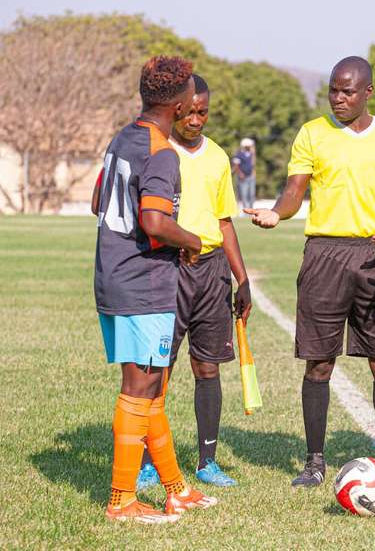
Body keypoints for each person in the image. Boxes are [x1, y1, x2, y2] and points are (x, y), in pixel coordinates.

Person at [244, 56, 375, 488]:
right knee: (319, 363)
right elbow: (293, 193)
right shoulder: (312, 134)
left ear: (368, 92)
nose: (338, 98)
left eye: (348, 91)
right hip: (324, 254)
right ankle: (314, 461)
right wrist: (276, 215)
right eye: (334, 90)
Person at [93, 56, 218, 523]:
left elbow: (96, 201)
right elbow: (154, 221)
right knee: (139, 388)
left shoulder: (123, 137)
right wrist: (192, 240)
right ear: (182, 102)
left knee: (152, 389)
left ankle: (175, 488)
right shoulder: (162, 151)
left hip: (114, 275)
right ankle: (122, 499)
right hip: (144, 282)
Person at [134, 75, 252, 489]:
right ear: (178, 109)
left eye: (204, 112)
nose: (197, 120)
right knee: (159, 368)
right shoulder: (159, 152)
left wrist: (242, 279)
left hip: (212, 271)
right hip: (168, 267)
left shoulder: (219, 158)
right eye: (191, 111)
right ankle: (149, 462)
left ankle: (207, 461)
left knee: (207, 366)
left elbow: (224, 222)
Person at [232, 137, 256, 211]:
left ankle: (251, 210)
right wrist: (240, 173)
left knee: (252, 194)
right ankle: (246, 211)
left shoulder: (251, 154)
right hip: (243, 178)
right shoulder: (239, 154)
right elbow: (236, 166)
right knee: (244, 195)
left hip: (251, 177)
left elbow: (253, 164)